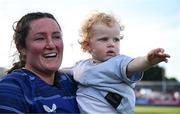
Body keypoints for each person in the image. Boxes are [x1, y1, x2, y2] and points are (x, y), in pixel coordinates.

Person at [63, 12, 170, 114]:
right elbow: (62, 71)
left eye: (116, 40)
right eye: (104, 39)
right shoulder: (81, 66)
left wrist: (147, 60)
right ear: (87, 45)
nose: (111, 44)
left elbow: (133, 65)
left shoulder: (118, 63)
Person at [0, 12, 79, 113]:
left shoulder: (72, 82)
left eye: (56, 37)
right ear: (21, 48)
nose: (51, 45)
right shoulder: (12, 88)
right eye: (40, 38)